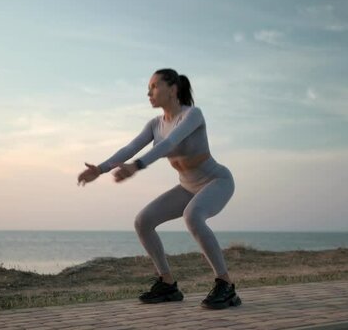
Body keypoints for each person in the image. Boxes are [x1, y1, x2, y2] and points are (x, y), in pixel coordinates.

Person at [77, 68, 240, 310]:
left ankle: (225, 285)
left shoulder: (192, 115)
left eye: (154, 86)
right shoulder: (155, 124)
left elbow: (170, 143)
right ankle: (167, 283)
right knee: (143, 221)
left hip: (217, 181)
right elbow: (129, 148)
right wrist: (100, 170)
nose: (148, 92)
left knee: (193, 216)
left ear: (173, 89)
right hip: (187, 187)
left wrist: (137, 166)